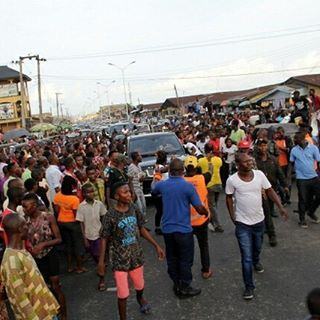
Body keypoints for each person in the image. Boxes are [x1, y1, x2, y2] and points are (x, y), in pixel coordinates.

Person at [97, 182, 165, 320]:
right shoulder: (110, 215)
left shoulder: (133, 208)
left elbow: (141, 228)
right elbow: (104, 238)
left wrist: (156, 245)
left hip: (136, 255)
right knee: (123, 293)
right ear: (117, 196)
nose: (130, 194)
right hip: (119, 259)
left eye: (129, 191)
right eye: (125, 192)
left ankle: (140, 298)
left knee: (139, 284)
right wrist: (101, 262)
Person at [225, 153, 288, 300]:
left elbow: (269, 190)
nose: (250, 163)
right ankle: (249, 287)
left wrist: (280, 206)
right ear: (238, 165)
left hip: (259, 221)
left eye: (250, 161)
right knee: (245, 257)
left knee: (257, 247)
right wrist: (232, 216)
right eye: (246, 162)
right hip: (242, 224)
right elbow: (228, 197)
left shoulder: (259, 175)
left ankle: (256, 260)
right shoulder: (232, 180)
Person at [152, 158, 208, 298]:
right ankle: (185, 286)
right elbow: (199, 208)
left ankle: (176, 282)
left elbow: (153, 191)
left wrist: (159, 173)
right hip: (183, 230)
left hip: (168, 230)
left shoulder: (163, 185)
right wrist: (206, 212)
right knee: (185, 258)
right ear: (183, 171)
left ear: (170, 171)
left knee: (172, 257)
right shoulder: (188, 187)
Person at [0, 213, 60, 319]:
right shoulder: (12, 261)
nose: (28, 226)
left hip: (46, 313)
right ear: (20, 229)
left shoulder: (22, 251)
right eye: (25, 224)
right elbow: (20, 299)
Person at [22, 193, 67, 320]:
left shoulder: (48, 217)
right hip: (36, 258)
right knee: (44, 288)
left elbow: (58, 239)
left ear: (34, 205)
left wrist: (43, 244)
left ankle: (64, 314)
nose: (24, 210)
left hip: (50, 254)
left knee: (56, 285)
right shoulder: (25, 220)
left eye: (26, 207)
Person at [255, 139, 289, 247]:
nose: (263, 148)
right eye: (261, 146)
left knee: (268, 212)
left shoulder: (273, 160)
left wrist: (285, 185)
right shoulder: (254, 161)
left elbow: (279, 173)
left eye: (264, 145)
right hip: (257, 191)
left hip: (270, 190)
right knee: (262, 213)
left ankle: (271, 234)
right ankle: (265, 231)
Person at [184, 156, 212, 279]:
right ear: (197, 167)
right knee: (203, 246)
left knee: (187, 248)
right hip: (202, 219)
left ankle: (186, 271)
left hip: (186, 221)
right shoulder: (202, 178)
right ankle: (206, 270)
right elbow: (210, 172)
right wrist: (209, 161)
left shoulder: (181, 181)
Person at [76, 183, 106, 291]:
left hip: (99, 234)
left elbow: (104, 217)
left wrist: (106, 231)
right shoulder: (81, 206)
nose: (91, 194)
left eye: (92, 191)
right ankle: (101, 266)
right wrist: (84, 238)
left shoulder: (99, 204)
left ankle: (101, 279)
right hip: (89, 235)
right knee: (94, 256)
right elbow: (81, 223)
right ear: (83, 194)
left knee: (99, 257)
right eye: (88, 192)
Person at [54, 175, 86, 273]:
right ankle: (79, 267)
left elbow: (56, 210)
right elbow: (77, 215)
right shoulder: (74, 199)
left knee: (68, 245)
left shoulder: (58, 195)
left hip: (61, 222)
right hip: (72, 223)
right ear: (72, 186)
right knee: (77, 245)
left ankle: (69, 266)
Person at [290, 131, 320, 228]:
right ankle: (302, 219)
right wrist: (288, 178)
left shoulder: (313, 148)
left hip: (313, 177)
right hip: (301, 178)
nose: (295, 140)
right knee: (302, 199)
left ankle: (311, 212)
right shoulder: (294, 150)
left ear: (303, 139)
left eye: (296, 138)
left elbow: (318, 162)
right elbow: (291, 164)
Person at [198, 143, 224, 232]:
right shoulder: (218, 160)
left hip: (209, 185)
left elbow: (197, 167)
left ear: (204, 150)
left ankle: (218, 225)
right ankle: (213, 221)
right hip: (218, 184)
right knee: (214, 205)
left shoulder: (201, 161)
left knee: (212, 206)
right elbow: (220, 165)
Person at [152, 150, 168, 235]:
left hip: (162, 192)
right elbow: (161, 170)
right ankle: (158, 227)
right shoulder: (158, 167)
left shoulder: (160, 165)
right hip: (159, 193)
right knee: (160, 210)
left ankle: (160, 226)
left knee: (161, 210)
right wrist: (172, 165)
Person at [128, 152, 146, 216]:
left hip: (140, 189)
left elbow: (139, 179)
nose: (141, 157)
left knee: (143, 207)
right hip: (135, 190)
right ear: (136, 158)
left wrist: (143, 177)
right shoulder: (131, 167)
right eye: (139, 156)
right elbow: (129, 180)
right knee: (139, 208)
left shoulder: (138, 166)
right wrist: (133, 192)